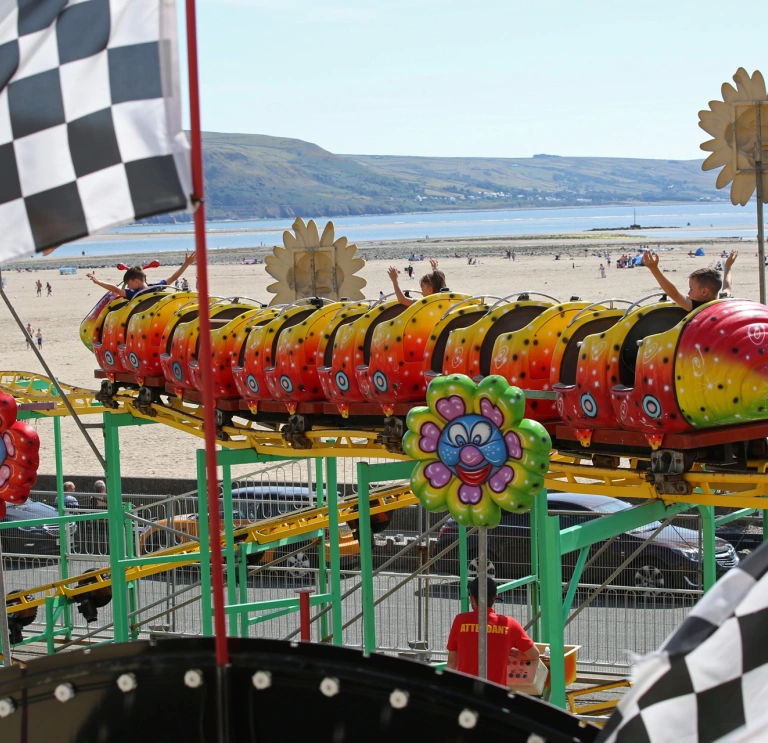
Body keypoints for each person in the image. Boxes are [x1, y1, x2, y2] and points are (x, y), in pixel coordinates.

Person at [446, 577, 539, 686]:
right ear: (495, 597)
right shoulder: (510, 624)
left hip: (467, 695)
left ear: (472, 598)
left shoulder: (460, 621)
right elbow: (534, 654)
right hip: (494, 696)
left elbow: (452, 662)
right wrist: (516, 654)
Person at [642, 248, 737, 311]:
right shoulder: (724, 300)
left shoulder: (696, 306)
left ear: (704, 292)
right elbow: (727, 285)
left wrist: (654, 269)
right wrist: (728, 266)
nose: (688, 293)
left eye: (691, 289)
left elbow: (672, 292)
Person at [86, 252, 196, 299]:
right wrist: (186, 264)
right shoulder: (156, 287)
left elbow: (116, 289)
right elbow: (173, 277)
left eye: (128, 284)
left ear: (136, 281)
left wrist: (98, 282)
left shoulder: (135, 293)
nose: (128, 287)